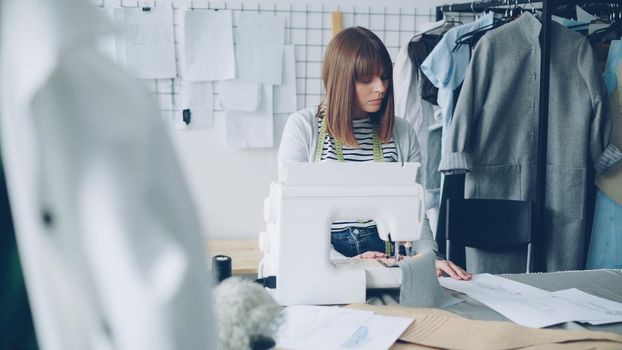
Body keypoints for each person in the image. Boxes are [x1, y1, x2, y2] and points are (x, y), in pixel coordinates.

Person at [277, 26, 470, 280]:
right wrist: (340, 262)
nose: (380, 87)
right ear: (341, 79)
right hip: (325, 260)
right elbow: (294, 217)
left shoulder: (402, 132)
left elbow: (414, 209)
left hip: (388, 261)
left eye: (384, 77)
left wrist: (428, 259)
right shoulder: (303, 127)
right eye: (367, 79)